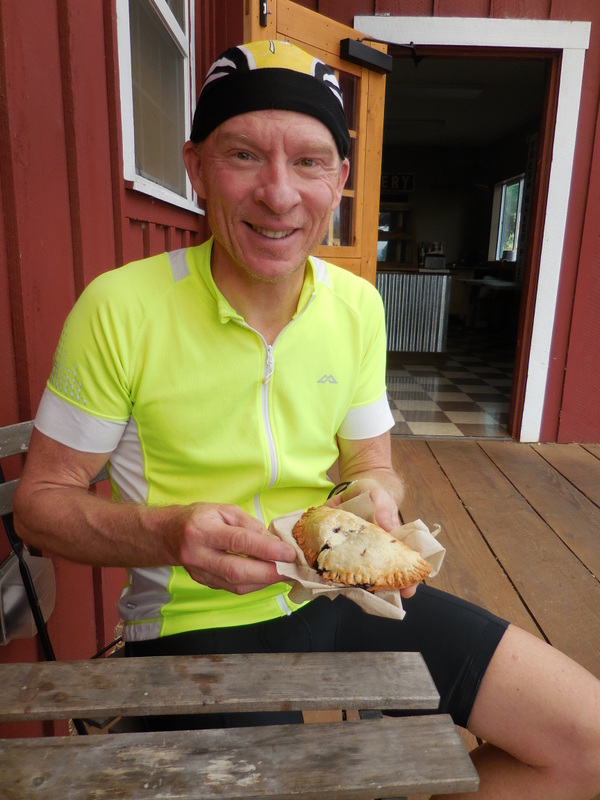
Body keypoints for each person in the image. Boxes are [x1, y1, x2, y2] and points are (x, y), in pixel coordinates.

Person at [13, 39, 600, 799]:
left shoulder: (356, 305)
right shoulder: (121, 306)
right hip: (195, 624)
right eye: (244, 155)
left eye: (311, 162)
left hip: (334, 593)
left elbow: (371, 463)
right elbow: (40, 506)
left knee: (583, 742)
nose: (279, 194)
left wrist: (379, 501)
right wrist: (167, 532)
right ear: (195, 168)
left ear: (341, 181)